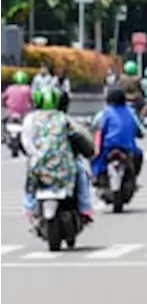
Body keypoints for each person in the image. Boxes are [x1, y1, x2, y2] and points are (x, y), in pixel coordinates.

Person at [21, 87, 95, 225]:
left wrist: (35, 156)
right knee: (81, 174)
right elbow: (81, 135)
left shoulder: (30, 119)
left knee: (29, 182)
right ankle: (85, 208)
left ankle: (30, 209)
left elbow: (26, 142)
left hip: (38, 166)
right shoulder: (64, 119)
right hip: (64, 167)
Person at [91, 87, 145, 188]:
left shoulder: (105, 112)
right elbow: (138, 129)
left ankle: (96, 176)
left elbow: (96, 125)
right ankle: (134, 180)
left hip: (108, 147)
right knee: (139, 155)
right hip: (127, 148)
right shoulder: (130, 112)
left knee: (95, 157)